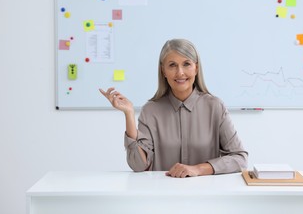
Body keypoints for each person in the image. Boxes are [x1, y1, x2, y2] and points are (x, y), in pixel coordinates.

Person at [100, 39, 248, 178]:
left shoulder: (215, 106)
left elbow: (240, 158)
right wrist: (129, 114)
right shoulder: (150, 110)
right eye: (172, 65)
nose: (180, 73)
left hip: (205, 197)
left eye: (186, 64)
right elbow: (138, 166)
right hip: (162, 197)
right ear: (163, 70)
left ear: (196, 68)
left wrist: (198, 169)